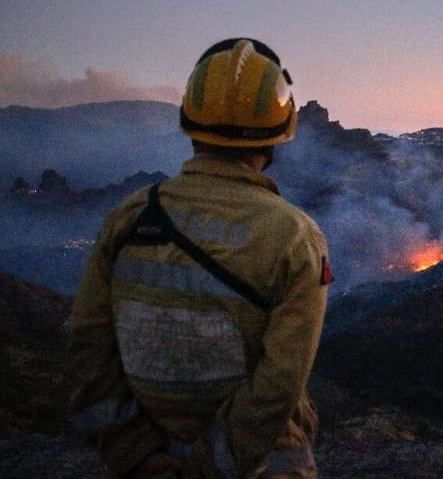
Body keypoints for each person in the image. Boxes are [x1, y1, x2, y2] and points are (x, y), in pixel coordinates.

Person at [66, 38, 332, 478]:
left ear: (190, 123)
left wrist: (137, 458)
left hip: (144, 459)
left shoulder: (128, 218)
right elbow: (279, 385)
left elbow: (88, 353)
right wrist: (208, 469)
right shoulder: (294, 236)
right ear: (278, 135)